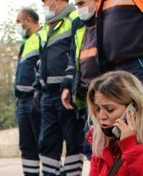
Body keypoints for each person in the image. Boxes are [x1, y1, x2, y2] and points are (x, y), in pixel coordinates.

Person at [26, 0, 86, 176]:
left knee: (73, 140)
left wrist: (69, 85)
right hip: (47, 94)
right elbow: (41, 62)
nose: (44, 4)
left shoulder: (74, 19)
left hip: (66, 92)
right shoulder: (48, 27)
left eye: (47, 0)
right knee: (47, 142)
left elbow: (74, 53)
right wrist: (37, 88)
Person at [10, 8, 44, 176]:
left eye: (18, 21)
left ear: (28, 20)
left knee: (42, 142)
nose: (17, 25)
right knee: (27, 144)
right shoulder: (26, 42)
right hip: (22, 100)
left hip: (35, 97)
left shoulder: (42, 36)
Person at [61, 0, 99, 162]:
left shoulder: (107, 17)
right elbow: (73, 59)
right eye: (77, 5)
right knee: (89, 144)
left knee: (102, 142)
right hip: (85, 93)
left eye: (82, 3)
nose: (79, 9)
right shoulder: (78, 25)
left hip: (105, 91)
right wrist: (67, 86)